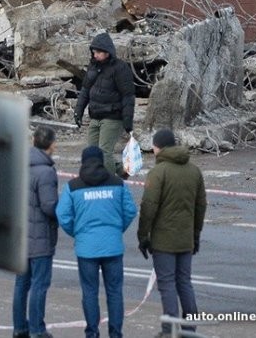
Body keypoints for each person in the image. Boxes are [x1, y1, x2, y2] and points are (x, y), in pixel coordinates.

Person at [56, 146, 137, 338]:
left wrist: (78, 233)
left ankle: (92, 333)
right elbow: (130, 211)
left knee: (90, 292)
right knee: (115, 292)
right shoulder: (118, 183)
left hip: (86, 249)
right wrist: (117, 229)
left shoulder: (73, 186)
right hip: (113, 246)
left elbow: (63, 215)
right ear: (101, 160)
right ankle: (116, 333)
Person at [137, 129, 207, 336]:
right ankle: (189, 329)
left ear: (158, 147)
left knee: (167, 284)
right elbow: (201, 205)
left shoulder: (158, 172)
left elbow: (149, 206)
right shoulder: (194, 170)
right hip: (185, 238)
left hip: (163, 240)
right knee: (185, 282)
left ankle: (169, 329)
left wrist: (143, 236)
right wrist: (196, 235)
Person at [12, 127, 59, 338]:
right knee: (40, 285)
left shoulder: (19, 166)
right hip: (40, 237)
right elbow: (49, 206)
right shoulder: (46, 172)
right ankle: (37, 330)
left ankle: (20, 327)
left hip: (20, 236)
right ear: (51, 145)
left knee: (21, 284)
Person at [73, 31, 136, 176]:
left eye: (98, 52)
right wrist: (78, 111)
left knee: (104, 152)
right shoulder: (93, 66)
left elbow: (128, 96)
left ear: (107, 52)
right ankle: (121, 170)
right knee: (92, 153)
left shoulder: (120, 68)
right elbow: (85, 90)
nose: (95, 55)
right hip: (95, 115)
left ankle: (108, 184)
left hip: (112, 117)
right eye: (93, 52)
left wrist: (127, 121)